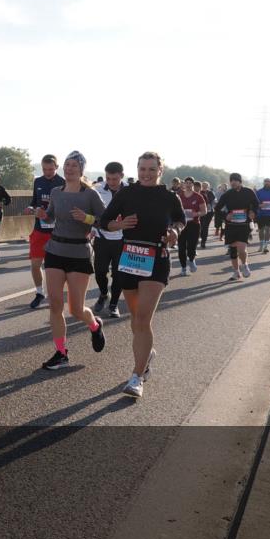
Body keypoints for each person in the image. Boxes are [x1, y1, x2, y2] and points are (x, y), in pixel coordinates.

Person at [98, 152, 185, 398]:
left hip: (156, 259)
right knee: (136, 320)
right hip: (129, 258)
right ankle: (147, 355)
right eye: (142, 169)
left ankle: (137, 376)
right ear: (137, 170)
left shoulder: (169, 196)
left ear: (160, 170)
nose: (146, 173)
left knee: (144, 318)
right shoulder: (127, 193)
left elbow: (180, 220)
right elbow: (104, 221)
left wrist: (175, 232)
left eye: (151, 169)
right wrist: (119, 225)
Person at [37, 151, 107, 370]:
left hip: (78, 253)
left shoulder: (90, 194)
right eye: (66, 165)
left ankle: (94, 325)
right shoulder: (56, 191)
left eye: (74, 165)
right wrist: (43, 214)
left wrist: (86, 218)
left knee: (75, 309)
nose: (69, 169)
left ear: (81, 170)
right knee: (55, 304)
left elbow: (106, 220)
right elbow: (50, 215)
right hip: (56, 250)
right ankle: (61, 353)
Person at [24, 155, 65, 309]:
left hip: (57, 232)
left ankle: (55, 294)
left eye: (50, 169)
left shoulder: (63, 183)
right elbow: (35, 201)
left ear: (56, 167)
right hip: (39, 229)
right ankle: (40, 292)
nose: (47, 172)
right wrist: (30, 207)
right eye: (44, 169)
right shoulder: (38, 181)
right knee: (35, 264)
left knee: (53, 268)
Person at [92, 161, 126, 318]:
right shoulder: (97, 189)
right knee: (99, 271)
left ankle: (114, 305)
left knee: (118, 274)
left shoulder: (130, 191)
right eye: (109, 178)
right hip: (102, 237)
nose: (111, 182)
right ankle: (104, 293)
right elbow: (92, 212)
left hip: (122, 239)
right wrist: (92, 230)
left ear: (122, 176)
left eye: (115, 179)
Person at [214, 173, 259, 281]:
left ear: (240, 181)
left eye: (235, 180)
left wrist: (253, 211)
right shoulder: (227, 194)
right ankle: (236, 272)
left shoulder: (248, 192)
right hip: (231, 225)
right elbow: (217, 209)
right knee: (233, 250)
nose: (233, 182)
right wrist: (226, 216)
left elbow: (256, 204)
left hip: (244, 224)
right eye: (231, 180)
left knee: (242, 248)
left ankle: (244, 264)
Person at [176, 177, 207, 276]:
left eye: (190, 183)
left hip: (194, 225)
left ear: (193, 185)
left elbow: (204, 211)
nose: (188, 185)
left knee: (191, 246)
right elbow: (174, 211)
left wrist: (195, 214)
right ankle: (183, 268)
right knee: (181, 247)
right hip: (181, 225)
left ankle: (192, 259)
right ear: (183, 184)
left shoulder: (198, 197)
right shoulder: (179, 196)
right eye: (187, 183)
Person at [199, 181, 216, 249]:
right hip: (201, 212)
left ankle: (203, 241)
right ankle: (200, 237)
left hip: (209, 212)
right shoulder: (199, 192)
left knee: (205, 226)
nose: (204, 187)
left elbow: (213, 201)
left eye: (206, 186)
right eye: (203, 185)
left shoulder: (210, 193)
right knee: (200, 226)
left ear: (208, 186)